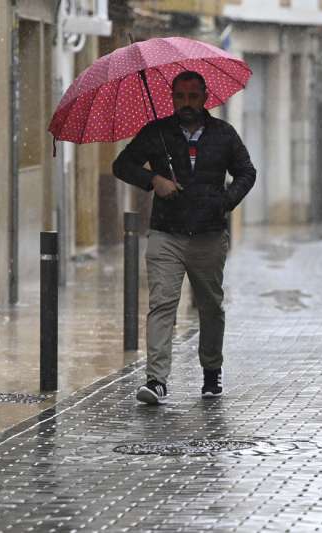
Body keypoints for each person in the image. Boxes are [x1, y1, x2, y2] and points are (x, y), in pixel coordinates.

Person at [113, 71, 256, 405]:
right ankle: (156, 380)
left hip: (208, 235)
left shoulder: (224, 134)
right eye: (180, 97)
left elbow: (247, 172)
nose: (186, 104)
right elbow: (122, 165)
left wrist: (225, 200)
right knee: (162, 304)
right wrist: (153, 180)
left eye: (193, 97)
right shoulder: (157, 133)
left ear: (204, 97)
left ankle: (211, 372)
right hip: (166, 234)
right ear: (172, 97)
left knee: (210, 306)